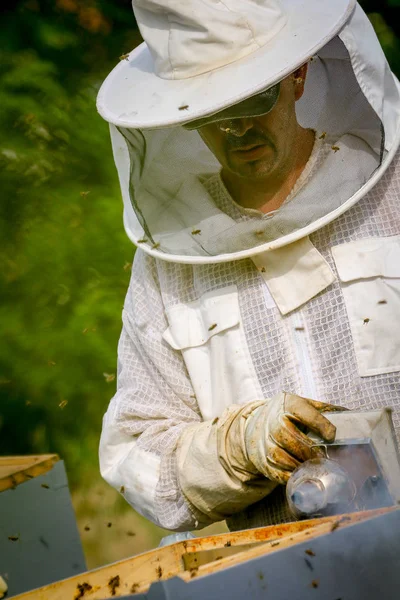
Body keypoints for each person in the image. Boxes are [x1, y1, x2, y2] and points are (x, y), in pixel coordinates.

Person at [97, 0, 400, 531]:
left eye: (253, 100)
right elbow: (135, 454)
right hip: (284, 569)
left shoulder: (390, 198)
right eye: (212, 113)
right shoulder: (172, 263)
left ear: (297, 75)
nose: (237, 130)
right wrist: (234, 449)